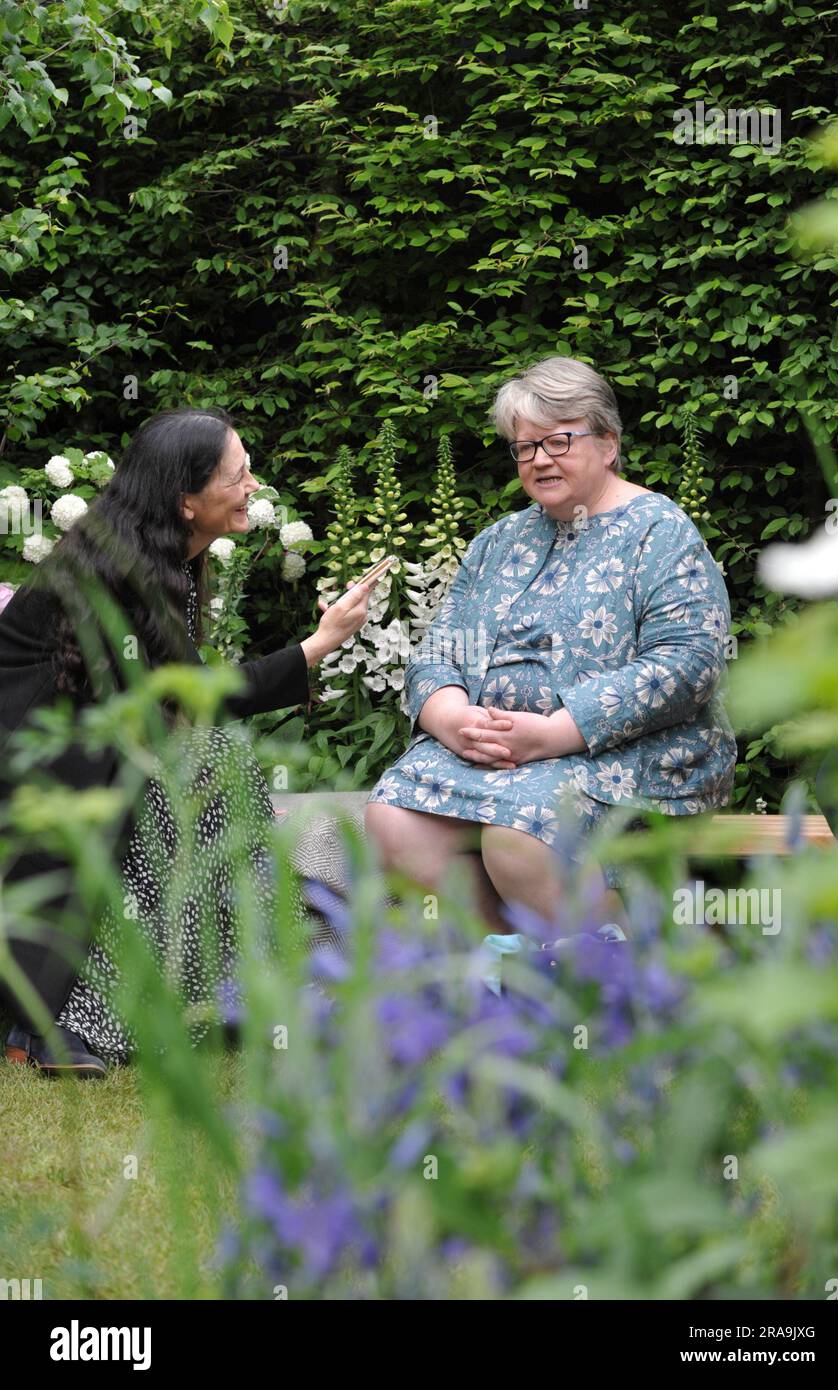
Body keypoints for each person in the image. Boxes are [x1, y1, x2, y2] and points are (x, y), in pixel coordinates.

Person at [0, 407, 374, 1076]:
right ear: (186, 502)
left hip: (92, 754)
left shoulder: (159, 558)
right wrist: (320, 645)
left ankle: (228, 993)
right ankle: (53, 1024)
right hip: (36, 771)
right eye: (238, 475)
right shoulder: (116, 572)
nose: (254, 486)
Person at [365, 356, 738, 933]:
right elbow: (439, 650)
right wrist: (452, 719)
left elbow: (688, 664)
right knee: (395, 818)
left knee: (519, 829)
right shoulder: (498, 540)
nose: (539, 459)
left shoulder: (659, 532)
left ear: (608, 443)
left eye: (558, 441)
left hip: (626, 754)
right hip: (498, 753)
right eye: (525, 447)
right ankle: (506, 974)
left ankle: (633, 973)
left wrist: (558, 731)